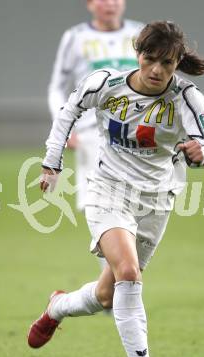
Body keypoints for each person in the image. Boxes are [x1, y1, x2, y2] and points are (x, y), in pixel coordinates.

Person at [28, 21, 204, 357]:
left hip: (156, 200)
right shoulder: (106, 84)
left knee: (107, 294)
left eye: (167, 63)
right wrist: (52, 161)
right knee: (130, 274)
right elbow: (69, 111)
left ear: (177, 62)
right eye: (150, 59)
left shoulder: (186, 97)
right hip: (109, 191)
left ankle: (57, 306)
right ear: (138, 54)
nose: (157, 70)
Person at [48, 0, 143, 211]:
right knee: (98, 207)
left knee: (139, 206)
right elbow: (57, 88)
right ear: (89, 4)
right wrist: (64, 127)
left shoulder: (141, 33)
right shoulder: (75, 37)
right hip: (93, 132)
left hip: (138, 132)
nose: (110, 4)